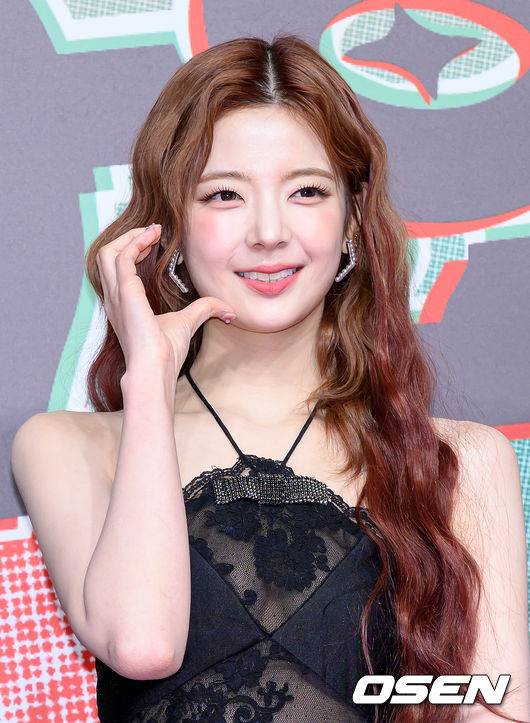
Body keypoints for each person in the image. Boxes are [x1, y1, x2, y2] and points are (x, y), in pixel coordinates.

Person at [11, 34, 529, 723]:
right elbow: (143, 646)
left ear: (352, 218)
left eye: (306, 191)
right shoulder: (69, 446)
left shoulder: (458, 460)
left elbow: (495, 706)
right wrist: (148, 381)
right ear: (169, 226)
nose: (267, 232)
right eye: (224, 194)